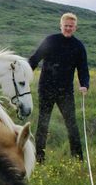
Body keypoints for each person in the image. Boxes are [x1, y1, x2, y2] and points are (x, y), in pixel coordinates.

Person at [28, 12, 90, 163]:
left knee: (72, 125)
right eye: (66, 25)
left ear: (75, 27)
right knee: (43, 123)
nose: (68, 28)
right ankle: (39, 158)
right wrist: (25, 73)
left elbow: (83, 69)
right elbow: (35, 59)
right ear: (60, 25)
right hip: (46, 88)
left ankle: (78, 159)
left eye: (71, 26)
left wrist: (84, 85)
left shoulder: (78, 46)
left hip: (66, 91)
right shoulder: (50, 41)